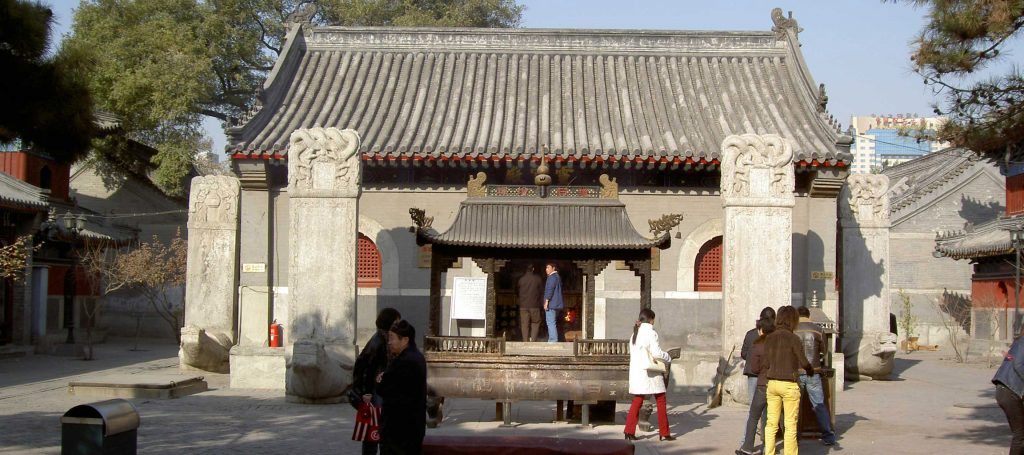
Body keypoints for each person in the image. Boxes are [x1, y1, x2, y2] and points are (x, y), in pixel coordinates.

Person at [763, 306, 814, 455]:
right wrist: (810, 370)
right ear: (793, 320)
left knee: (771, 423)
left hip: (772, 383)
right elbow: (803, 361)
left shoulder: (769, 338)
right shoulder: (794, 339)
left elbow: (765, 363)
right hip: (789, 384)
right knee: (790, 425)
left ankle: (769, 452)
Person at [352, 308, 401, 455]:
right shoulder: (378, 341)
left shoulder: (385, 339)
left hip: (380, 390)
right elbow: (366, 368)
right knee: (374, 428)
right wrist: (366, 392)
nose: (398, 324)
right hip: (374, 392)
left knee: (378, 427)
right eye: (396, 321)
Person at [623, 308, 675, 442]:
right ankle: (664, 432)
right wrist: (667, 357)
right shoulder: (651, 333)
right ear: (651, 319)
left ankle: (629, 431)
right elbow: (656, 353)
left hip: (637, 373)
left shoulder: (634, 334)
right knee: (661, 399)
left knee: (637, 400)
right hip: (650, 372)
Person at [376, 320, 427, 455]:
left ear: (405, 340)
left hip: (399, 430)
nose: (389, 342)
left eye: (392, 338)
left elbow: (384, 389)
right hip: (411, 427)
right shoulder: (417, 357)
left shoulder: (404, 362)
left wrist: (380, 380)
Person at [794, 306, 837, 446]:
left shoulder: (792, 330)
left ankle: (795, 435)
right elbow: (824, 351)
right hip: (814, 372)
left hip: (797, 372)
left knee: (795, 406)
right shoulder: (818, 330)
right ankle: (828, 435)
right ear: (808, 315)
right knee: (819, 404)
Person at [737, 314, 776, 455]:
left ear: (761, 330)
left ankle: (747, 446)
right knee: (770, 416)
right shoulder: (778, 343)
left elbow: (754, 367)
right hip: (776, 383)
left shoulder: (758, 345)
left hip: (761, 382)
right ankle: (768, 447)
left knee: (753, 415)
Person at [993, 335, 1024, 454]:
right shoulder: (1023, 342)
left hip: (1007, 390)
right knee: (1020, 435)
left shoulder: (1019, 343)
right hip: (1008, 391)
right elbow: (1018, 365)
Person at [517, 264, 543, 342]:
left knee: (524, 324)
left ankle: (525, 341)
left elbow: (517, 291)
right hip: (535, 305)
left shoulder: (521, 280)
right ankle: (533, 341)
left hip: (523, 305)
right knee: (535, 322)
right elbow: (541, 291)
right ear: (533, 269)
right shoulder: (538, 279)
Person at [543, 262, 564, 343]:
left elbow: (550, 290)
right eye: (546, 268)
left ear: (553, 268)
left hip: (551, 304)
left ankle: (552, 340)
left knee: (550, 322)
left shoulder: (552, 277)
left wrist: (546, 301)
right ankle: (553, 339)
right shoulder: (557, 277)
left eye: (548, 267)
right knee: (553, 321)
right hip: (557, 304)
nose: (546, 269)